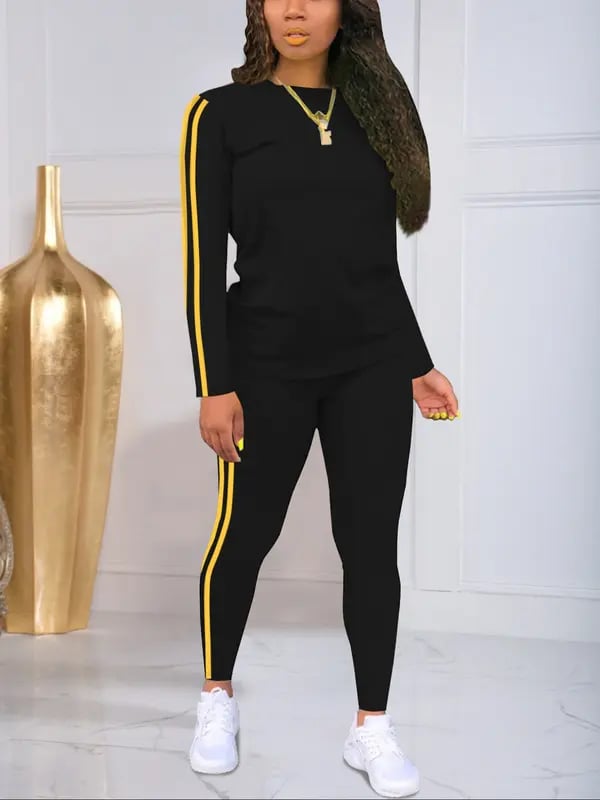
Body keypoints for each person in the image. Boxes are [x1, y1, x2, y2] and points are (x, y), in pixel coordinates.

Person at [179, 1, 459, 797]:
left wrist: (416, 362)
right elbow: (201, 262)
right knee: (246, 533)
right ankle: (217, 698)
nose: (294, 9)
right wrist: (214, 385)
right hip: (263, 366)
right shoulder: (218, 114)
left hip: (370, 366)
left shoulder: (375, 114)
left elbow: (375, 262)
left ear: (349, 10)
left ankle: (372, 726)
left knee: (369, 545)